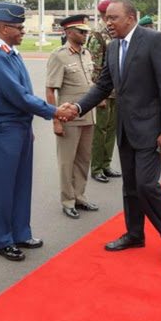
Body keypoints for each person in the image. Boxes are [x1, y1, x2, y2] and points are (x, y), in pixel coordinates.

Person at [71, 0, 161, 267]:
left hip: (152, 130)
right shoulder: (113, 47)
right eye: (107, 18)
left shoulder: (154, 41)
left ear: (131, 17)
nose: (108, 23)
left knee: (146, 185)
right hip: (126, 129)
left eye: (113, 18)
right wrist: (77, 107)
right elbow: (103, 86)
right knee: (130, 187)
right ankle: (135, 234)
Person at [0, 1, 74, 261]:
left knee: (21, 184)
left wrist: (28, 125)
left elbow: (24, 96)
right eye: (18, 27)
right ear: (2, 27)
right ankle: (2, 239)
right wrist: (55, 111)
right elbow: (19, 96)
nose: (23, 31)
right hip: (1, 130)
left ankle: (20, 232)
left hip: (18, 127)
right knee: (3, 188)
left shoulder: (10, 53)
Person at [46, 15, 99, 219]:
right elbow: (50, 90)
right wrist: (55, 120)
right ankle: (67, 200)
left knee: (84, 159)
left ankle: (80, 196)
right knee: (66, 161)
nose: (84, 34)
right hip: (68, 118)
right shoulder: (59, 55)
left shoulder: (86, 54)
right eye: (80, 31)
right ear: (69, 33)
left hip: (88, 116)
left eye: (86, 31)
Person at [87, 0, 121, 184]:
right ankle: (97, 167)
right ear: (103, 15)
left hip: (117, 90)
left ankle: (106, 164)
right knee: (100, 130)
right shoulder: (98, 34)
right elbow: (94, 66)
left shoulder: (114, 32)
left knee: (112, 129)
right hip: (104, 92)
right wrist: (97, 95)